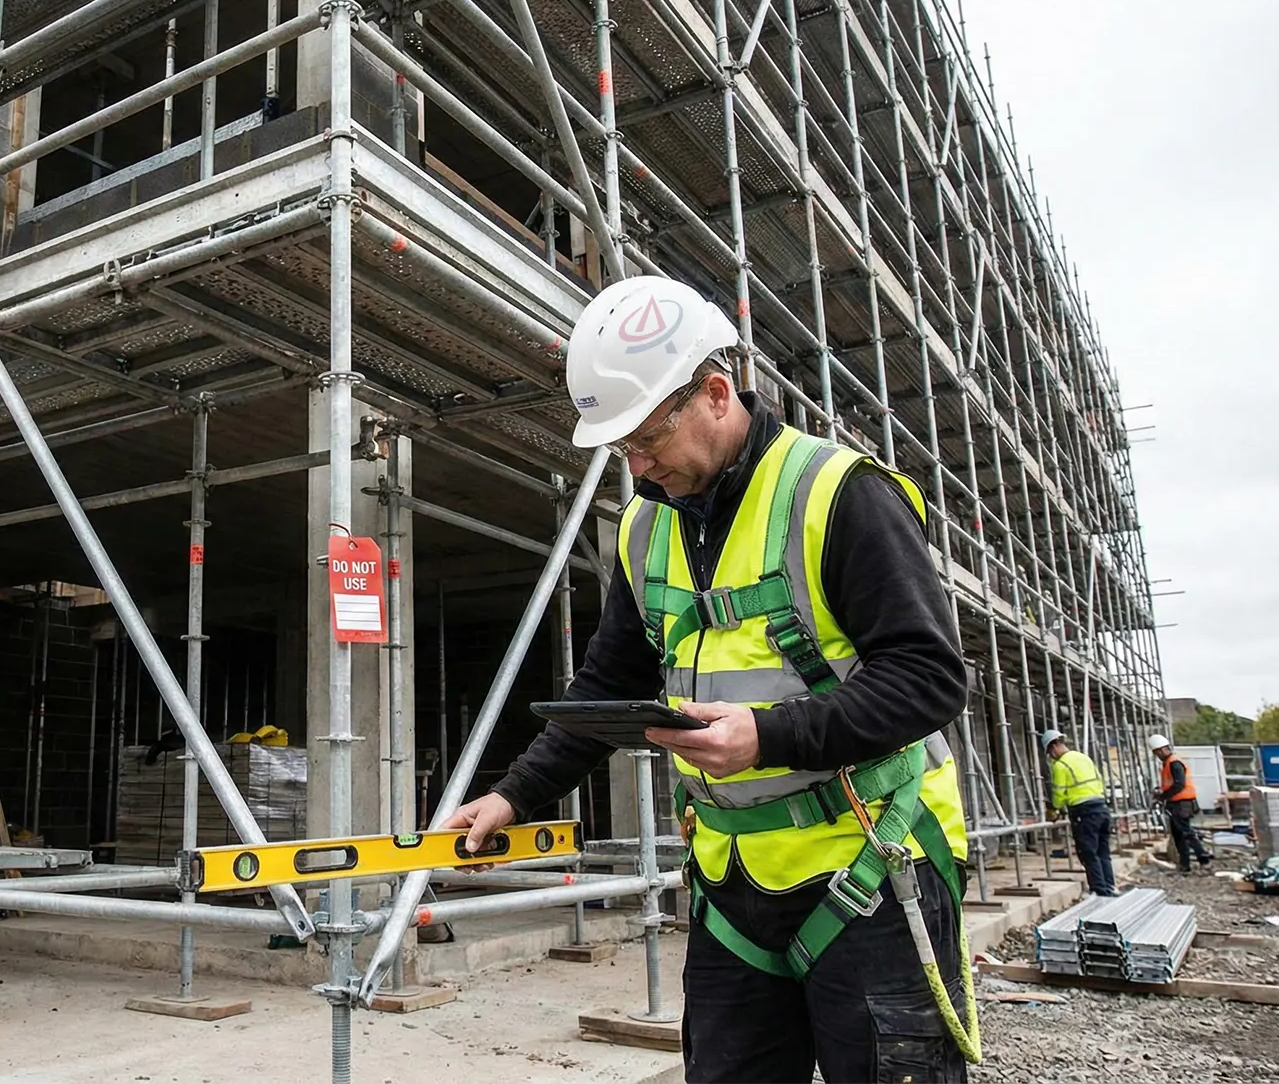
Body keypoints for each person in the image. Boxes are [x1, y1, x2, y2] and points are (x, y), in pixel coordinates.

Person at [447, 276, 977, 1083]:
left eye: (646, 437)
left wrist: (768, 734)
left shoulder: (838, 493)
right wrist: (515, 794)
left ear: (716, 393)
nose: (637, 462)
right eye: (622, 447)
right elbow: (603, 688)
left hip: (872, 862)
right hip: (734, 885)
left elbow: (930, 676)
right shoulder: (644, 530)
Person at [1042, 729, 1116, 897]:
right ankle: (1110, 887)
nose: (1051, 757)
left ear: (1053, 747)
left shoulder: (1061, 765)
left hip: (1084, 812)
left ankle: (1100, 891)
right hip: (1102, 807)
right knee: (1103, 851)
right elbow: (1100, 781)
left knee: (1088, 853)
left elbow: (1059, 794)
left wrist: (1055, 809)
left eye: (1049, 753)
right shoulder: (1084, 757)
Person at [1149, 733, 1212, 873]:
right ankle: (1184, 864)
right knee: (1178, 834)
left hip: (1182, 803)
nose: (1158, 755)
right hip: (1176, 803)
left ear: (1161, 750)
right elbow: (1172, 784)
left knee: (1186, 833)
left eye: (1158, 752)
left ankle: (1204, 859)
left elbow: (1179, 784)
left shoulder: (1174, 763)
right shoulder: (1169, 763)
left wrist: (1163, 796)